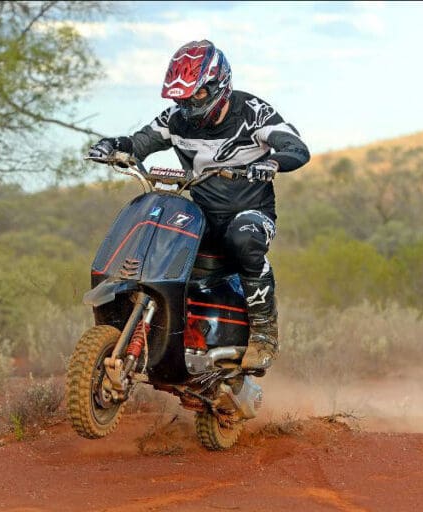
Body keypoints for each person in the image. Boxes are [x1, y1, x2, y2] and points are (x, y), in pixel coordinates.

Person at [88, 40, 310, 370]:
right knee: (158, 238)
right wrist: (113, 145)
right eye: (181, 97)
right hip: (201, 213)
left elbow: (297, 147)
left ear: (219, 85)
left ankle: (264, 334)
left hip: (251, 213)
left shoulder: (253, 112)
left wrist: (274, 162)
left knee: (243, 237)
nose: (189, 104)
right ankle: (159, 330)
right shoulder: (176, 118)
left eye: (197, 95)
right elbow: (139, 143)